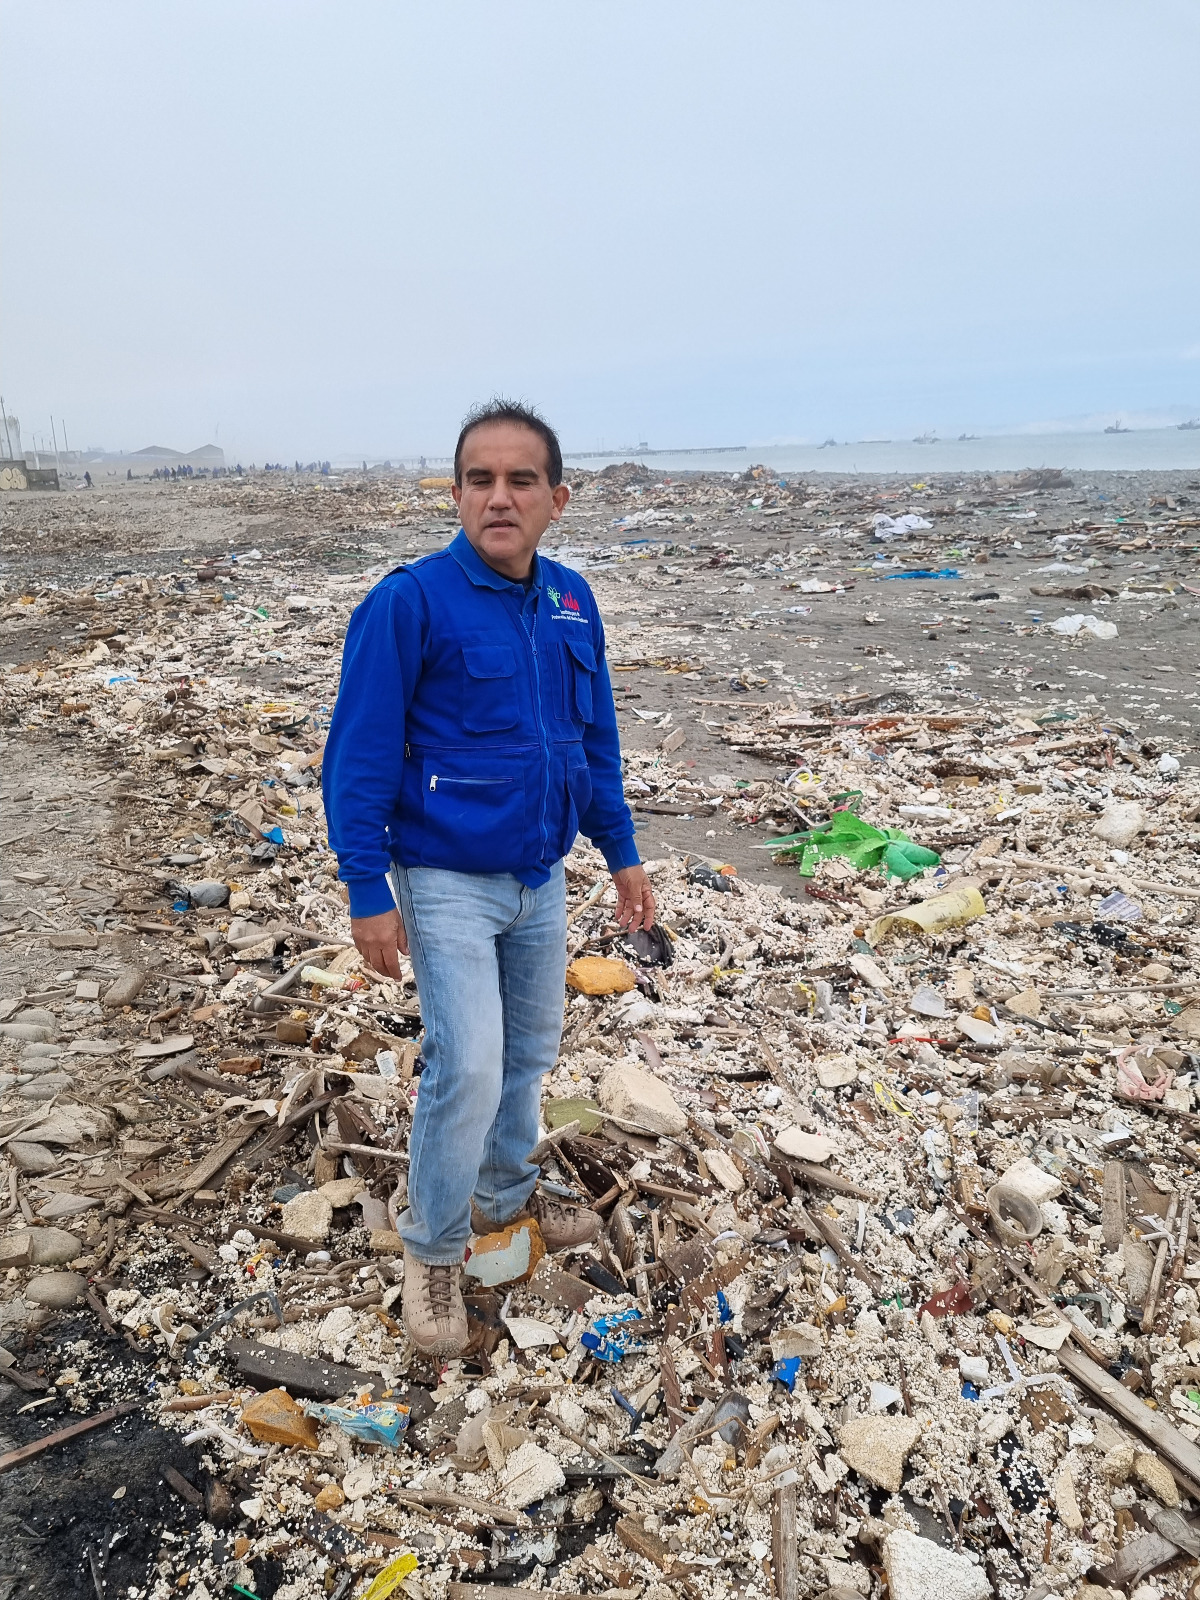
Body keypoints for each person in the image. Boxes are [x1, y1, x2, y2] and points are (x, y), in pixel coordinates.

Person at [324, 398, 654, 1361]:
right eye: (479, 478)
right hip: (443, 879)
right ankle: (430, 1247)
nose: (497, 497)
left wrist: (621, 851)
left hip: (538, 879)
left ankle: (504, 1199)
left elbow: (592, 742)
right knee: (465, 1063)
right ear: (457, 491)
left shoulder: (570, 601)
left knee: (528, 1054)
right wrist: (365, 890)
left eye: (519, 480)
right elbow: (359, 755)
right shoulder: (410, 602)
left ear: (557, 498)